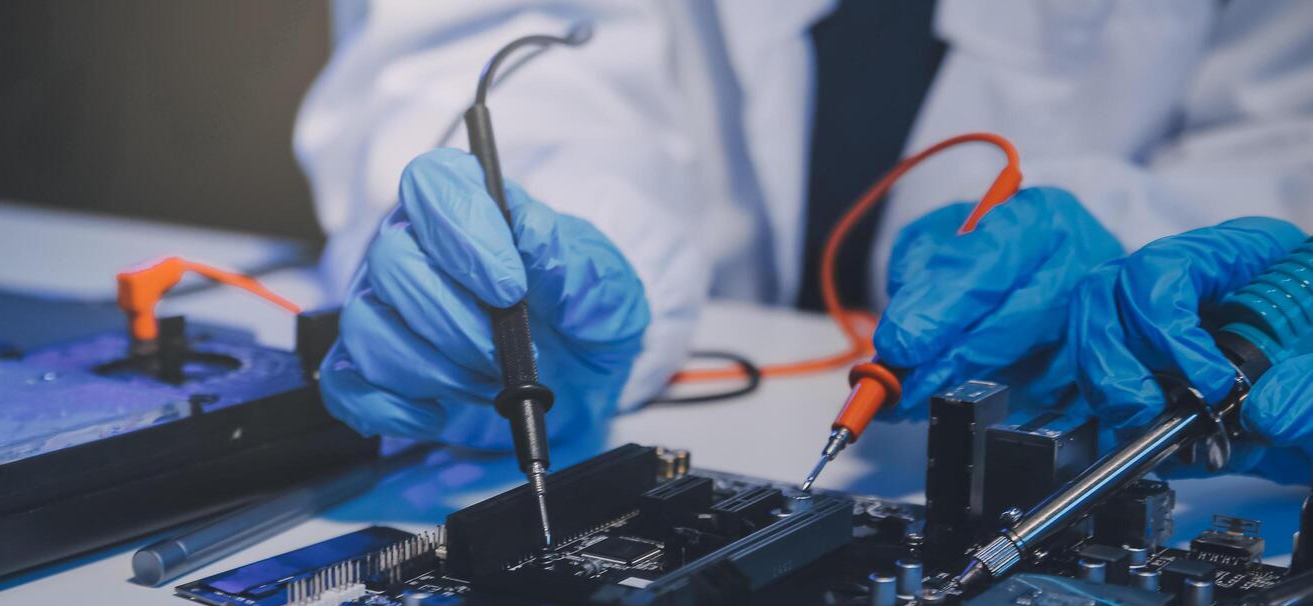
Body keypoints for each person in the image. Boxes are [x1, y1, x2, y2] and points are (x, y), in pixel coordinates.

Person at [293, 1, 1313, 481]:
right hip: (690, 394)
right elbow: (489, 39)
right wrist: (542, 240)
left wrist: (1152, 251)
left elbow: (1285, 131)